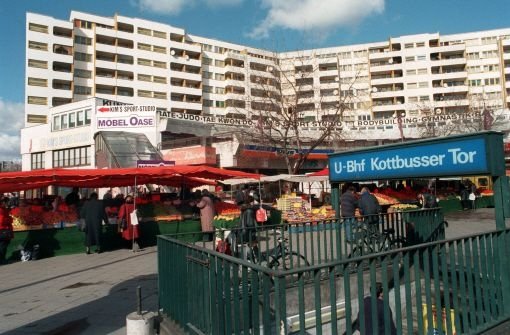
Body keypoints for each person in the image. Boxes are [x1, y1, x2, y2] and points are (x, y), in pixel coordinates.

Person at [0, 197, 14, 265]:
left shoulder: (4, 209)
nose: (8, 203)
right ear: (3, 202)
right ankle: (2, 260)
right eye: (7, 202)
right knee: (3, 245)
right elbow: (2, 221)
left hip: (3, 229)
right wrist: (10, 219)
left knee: (3, 245)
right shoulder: (1, 210)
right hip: (3, 230)